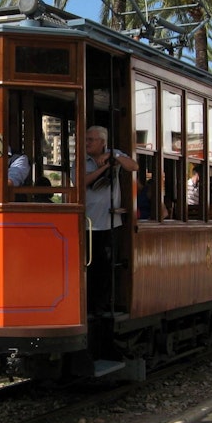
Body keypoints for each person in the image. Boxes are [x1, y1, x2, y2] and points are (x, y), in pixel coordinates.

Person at [82, 126, 138, 315]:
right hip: (86, 224)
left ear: (102, 143)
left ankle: (101, 307)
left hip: (108, 223)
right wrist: (105, 168)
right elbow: (82, 181)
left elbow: (133, 166)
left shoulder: (114, 154)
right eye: (86, 139)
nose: (87, 143)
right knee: (89, 268)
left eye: (91, 139)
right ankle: (89, 307)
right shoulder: (81, 159)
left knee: (104, 269)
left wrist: (114, 156)